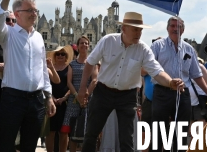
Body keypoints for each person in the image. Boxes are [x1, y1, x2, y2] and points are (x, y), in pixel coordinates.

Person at [77, 12, 185, 152]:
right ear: (124, 29)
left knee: (127, 140)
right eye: (135, 29)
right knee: (91, 134)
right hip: (103, 93)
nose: (139, 33)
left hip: (127, 97)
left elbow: (157, 71)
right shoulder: (108, 41)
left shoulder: (143, 49)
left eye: (140, 29)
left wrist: (171, 82)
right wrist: (82, 89)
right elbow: (90, 64)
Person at [0, 0, 56, 152]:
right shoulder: (8, 34)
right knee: (5, 144)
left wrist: (48, 96)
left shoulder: (39, 37)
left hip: (36, 100)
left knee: (29, 145)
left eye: (35, 10)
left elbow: (43, 69)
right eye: (30, 10)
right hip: (13, 99)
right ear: (17, 13)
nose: (34, 13)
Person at [150, 17, 207, 152]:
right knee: (159, 131)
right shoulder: (157, 46)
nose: (176, 29)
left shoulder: (189, 49)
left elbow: (197, 75)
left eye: (179, 27)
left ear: (183, 30)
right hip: (162, 91)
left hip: (182, 93)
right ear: (167, 28)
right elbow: (149, 67)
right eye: (173, 26)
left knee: (181, 133)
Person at [62, 36, 97, 152]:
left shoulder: (93, 63)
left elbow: (94, 80)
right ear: (77, 46)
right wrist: (77, 96)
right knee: (72, 130)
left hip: (88, 100)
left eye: (86, 43)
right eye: (81, 43)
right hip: (74, 99)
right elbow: (69, 82)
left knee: (87, 130)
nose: (84, 45)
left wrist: (85, 95)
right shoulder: (72, 64)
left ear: (89, 46)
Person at [46, 45, 73, 152]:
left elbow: (71, 84)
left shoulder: (69, 67)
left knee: (64, 131)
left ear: (66, 56)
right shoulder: (48, 68)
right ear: (54, 56)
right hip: (50, 101)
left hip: (65, 103)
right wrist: (51, 97)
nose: (60, 56)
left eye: (63, 54)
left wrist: (64, 98)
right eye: (58, 54)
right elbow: (45, 83)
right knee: (51, 131)